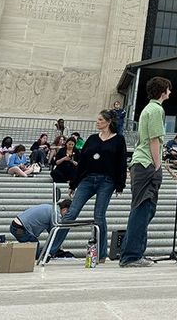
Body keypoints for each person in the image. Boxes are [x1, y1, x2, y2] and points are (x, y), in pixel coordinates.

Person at [54, 109, 128, 263]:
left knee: (99, 216)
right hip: (88, 179)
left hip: (106, 181)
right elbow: (83, 162)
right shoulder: (92, 139)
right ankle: (51, 249)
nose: (97, 122)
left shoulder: (119, 140)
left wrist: (120, 184)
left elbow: (121, 163)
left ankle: (101, 254)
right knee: (70, 213)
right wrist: (74, 183)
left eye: (100, 120)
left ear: (108, 122)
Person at [120, 76, 172, 268]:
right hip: (146, 164)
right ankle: (131, 255)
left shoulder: (147, 109)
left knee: (143, 209)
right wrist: (158, 166)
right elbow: (154, 140)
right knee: (143, 209)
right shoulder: (157, 109)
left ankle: (134, 252)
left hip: (140, 163)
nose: (170, 92)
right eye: (169, 89)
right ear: (163, 90)